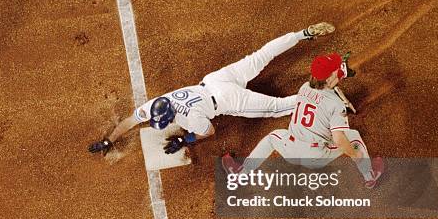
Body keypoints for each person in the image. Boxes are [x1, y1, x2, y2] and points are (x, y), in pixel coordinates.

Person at [89, 22, 335, 155]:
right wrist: (109, 140)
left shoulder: (189, 117)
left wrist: (185, 140)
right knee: (261, 55)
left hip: (229, 100)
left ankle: (322, 93)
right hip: (216, 79)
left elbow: (209, 132)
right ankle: (303, 34)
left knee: (276, 107)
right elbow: (131, 122)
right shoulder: (157, 103)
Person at [222, 52, 384, 188]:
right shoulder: (336, 103)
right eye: (336, 70)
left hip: (290, 149)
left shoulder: (304, 87)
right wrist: (355, 154)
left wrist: (338, 75)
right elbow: (339, 140)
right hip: (315, 157)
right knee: (353, 136)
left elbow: (324, 87)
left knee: (272, 137)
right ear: (331, 77)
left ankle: (241, 174)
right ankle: (369, 175)